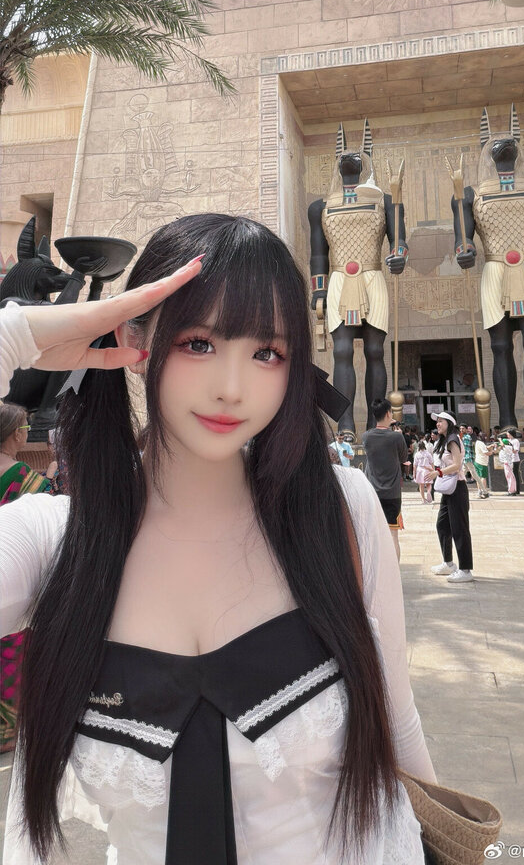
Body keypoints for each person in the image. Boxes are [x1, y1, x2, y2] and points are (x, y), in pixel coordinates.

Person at [0, 215, 436, 865]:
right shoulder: (56, 542)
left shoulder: (338, 510)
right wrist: (16, 338)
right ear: (133, 337)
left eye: (267, 354)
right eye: (199, 343)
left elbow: (396, 720)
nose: (232, 388)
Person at [0, 405, 55, 753]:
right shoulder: (25, 477)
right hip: (16, 573)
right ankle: (6, 732)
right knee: (11, 649)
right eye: (24, 428)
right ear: (16, 435)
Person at [425, 411, 474, 583]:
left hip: (457, 488)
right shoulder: (444, 440)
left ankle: (466, 570)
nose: (437, 424)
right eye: (437, 421)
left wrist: (438, 473)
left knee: (460, 529)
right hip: (449, 489)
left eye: (440, 421)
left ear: (449, 423)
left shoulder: (453, 439)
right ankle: (448, 563)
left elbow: (457, 465)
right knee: (442, 525)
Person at [362, 399, 407, 561]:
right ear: (388, 414)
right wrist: (398, 435)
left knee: (373, 534)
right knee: (393, 535)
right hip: (392, 493)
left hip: (373, 492)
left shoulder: (366, 436)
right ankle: (394, 572)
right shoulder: (396, 437)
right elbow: (403, 458)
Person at [461, 424, 485, 498]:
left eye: (463, 428)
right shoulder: (464, 437)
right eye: (460, 429)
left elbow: (465, 448)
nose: (461, 430)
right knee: (461, 475)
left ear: (466, 429)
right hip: (465, 459)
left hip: (467, 458)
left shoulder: (466, 437)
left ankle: (484, 491)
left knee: (474, 475)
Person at [474, 433, 493, 498]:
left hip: (477, 461)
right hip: (482, 462)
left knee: (478, 477)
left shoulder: (477, 442)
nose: (485, 438)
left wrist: (490, 446)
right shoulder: (481, 443)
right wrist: (492, 451)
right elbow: (486, 452)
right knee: (483, 477)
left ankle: (479, 491)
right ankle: (484, 491)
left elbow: (484, 448)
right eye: (485, 437)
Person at [506, 431, 521, 495]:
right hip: (509, 459)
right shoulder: (508, 440)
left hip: (514, 460)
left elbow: (515, 450)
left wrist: (510, 448)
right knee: (510, 475)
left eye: (508, 434)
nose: (507, 436)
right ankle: (512, 489)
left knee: (515, 475)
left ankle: (516, 490)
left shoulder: (515, 441)